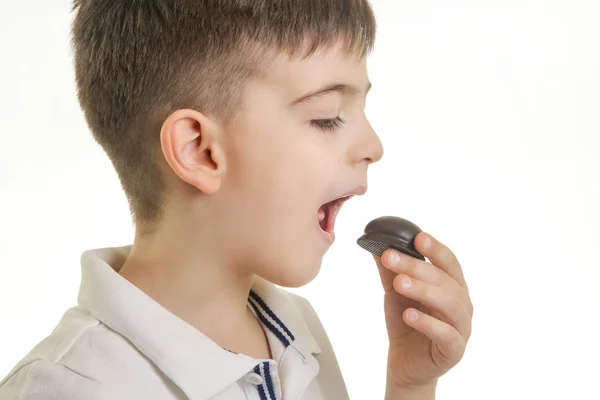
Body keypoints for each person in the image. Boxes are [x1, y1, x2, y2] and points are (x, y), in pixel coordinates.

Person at [0, 1, 473, 399]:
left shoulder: (296, 334)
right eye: (328, 117)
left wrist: (411, 386)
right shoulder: (64, 388)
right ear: (201, 151)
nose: (374, 145)